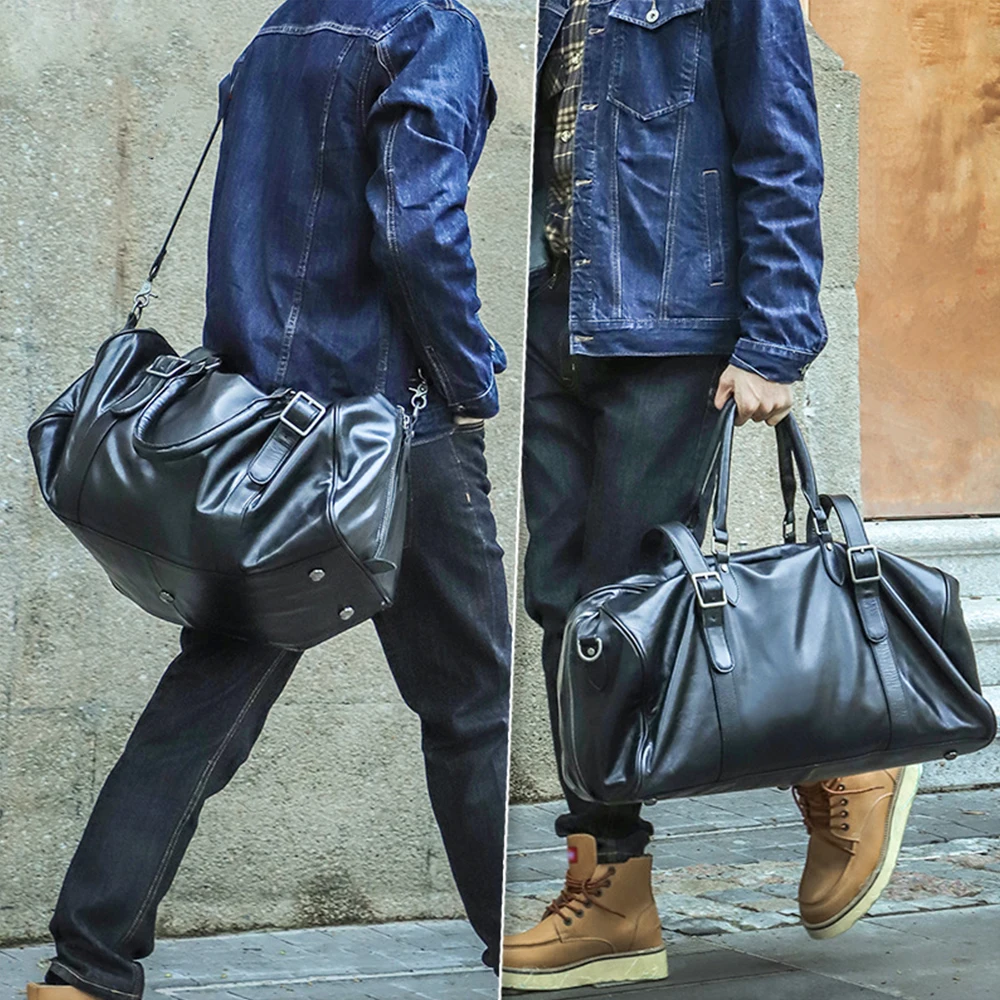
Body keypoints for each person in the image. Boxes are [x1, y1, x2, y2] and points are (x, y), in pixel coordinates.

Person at [27, 3, 511, 998]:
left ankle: (85, 965)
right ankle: (517, 951)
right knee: (470, 707)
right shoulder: (429, 28)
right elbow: (416, 224)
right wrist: (468, 382)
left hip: (262, 442)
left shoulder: (284, 27)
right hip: (385, 431)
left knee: (209, 695)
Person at [500, 0, 920, 990]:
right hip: (552, 316)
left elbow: (779, 138)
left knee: (641, 600)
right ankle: (612, 884)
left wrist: (775, 336)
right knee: (565, 608)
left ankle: (837, 754)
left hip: (672, 323)